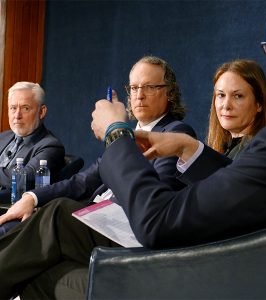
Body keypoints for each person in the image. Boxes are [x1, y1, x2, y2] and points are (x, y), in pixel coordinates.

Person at [1, 0, 266, 297]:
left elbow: (159, 218)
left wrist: (116, 133)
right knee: (45, 270)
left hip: (197, 266)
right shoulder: (262, 145)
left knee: (57, 217)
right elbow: (236, 185)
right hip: (205, 252)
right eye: (134, 88)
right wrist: (189, 149)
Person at [0, 55, 196, 235]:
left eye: (150, 87)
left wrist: (116, 132)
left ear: (169, 93)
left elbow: (153, 196)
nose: (139, 95)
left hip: (115, 225)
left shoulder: (175, 133)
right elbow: (82, 182)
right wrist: (31, 198)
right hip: (90, 214)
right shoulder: (126, 136)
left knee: (48, 214)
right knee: (11, 225)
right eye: (134, 88)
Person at [0, 81, 65, 197]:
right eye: (13, 108)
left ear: (41, 112)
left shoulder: (50, 146)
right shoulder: (3, 137)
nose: (17, 115)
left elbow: (23, 179)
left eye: (25, 108)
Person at [206, 59, 266, 159]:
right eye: (221, 95)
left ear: (259, 104)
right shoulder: (224, 149)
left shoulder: (260, 153)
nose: (226, 105)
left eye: (238, 96)